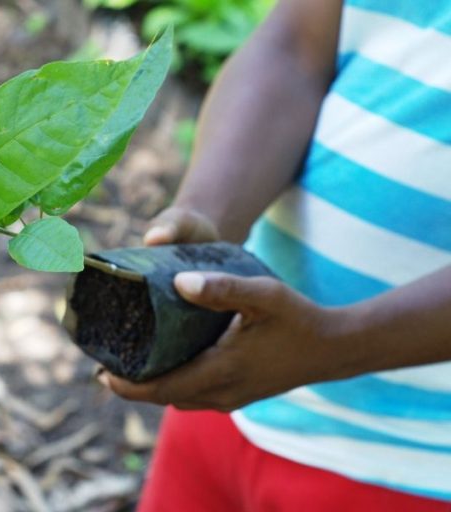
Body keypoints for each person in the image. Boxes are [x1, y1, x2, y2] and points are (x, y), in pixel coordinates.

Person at [99, 0, 451, 510]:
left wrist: (338, 343)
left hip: (410, 462)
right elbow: (293, 46)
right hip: (235, 389)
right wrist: (207, 224)